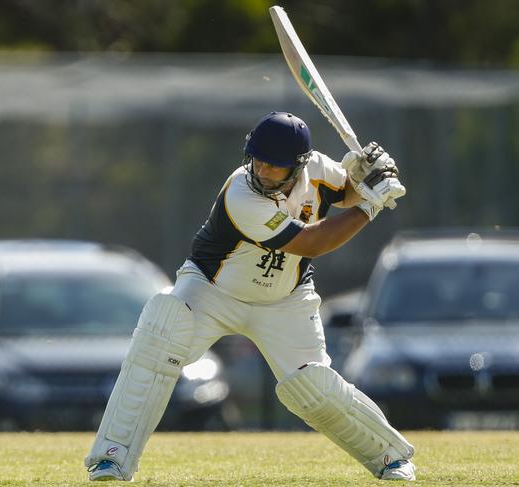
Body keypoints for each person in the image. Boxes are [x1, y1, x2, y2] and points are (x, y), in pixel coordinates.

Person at [84, 111, 415, 481]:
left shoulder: (319, 170)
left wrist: (365, 176)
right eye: (258, 160)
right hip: (212, 289)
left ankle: (391, 458)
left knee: (312, 385)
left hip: (285, 299)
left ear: (299, 166)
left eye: (275, 166)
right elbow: (313, 242)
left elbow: (346, 193)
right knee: (160, 335)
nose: (264, 171)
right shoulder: (240, 193)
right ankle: (112, 456)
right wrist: (370, 204)